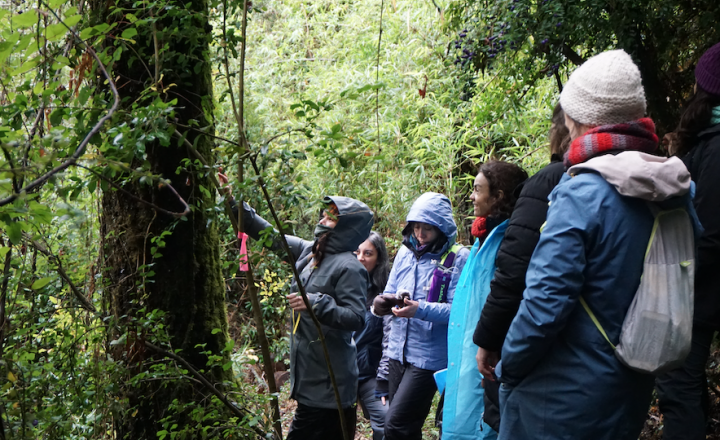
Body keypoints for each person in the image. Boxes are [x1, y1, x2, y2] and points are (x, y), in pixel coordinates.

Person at [496, 49, 699, 440]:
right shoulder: (675, 189)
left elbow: (544, 305)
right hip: (632, 381)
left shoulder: (582, 193)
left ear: (576, 118)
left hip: (558, 396)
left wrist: (510, 366)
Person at [233, 194, 373, 440]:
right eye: (325, 213)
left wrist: (315, 302)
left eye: (332, 216)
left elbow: (356, 317)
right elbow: (271, 237)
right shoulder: (310, 251)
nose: (324, 217)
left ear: (347, 227)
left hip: (331, 386)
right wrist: (234, 203)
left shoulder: (350, 267)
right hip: (310, 376)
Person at [473, 104, 570, 433]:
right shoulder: (631, 180)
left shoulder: (548, 183)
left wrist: (487, 340)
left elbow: (512, 276)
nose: (471, 197)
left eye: (477, 189)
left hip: (535, 343)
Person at [656, 41, 720, 440]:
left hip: (699, 294)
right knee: (687, 383)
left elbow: (710, 233)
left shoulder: (715, 149)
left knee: (676, 386)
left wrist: (673, 284)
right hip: (705, 292)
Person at [441, 161, 527, 440]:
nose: (471, 196)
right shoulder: (481, 239)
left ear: (498, 196)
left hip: (486, 364)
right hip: (465, 362)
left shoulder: (508, 242)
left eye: (477, 190)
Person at [374, 192, 470, 440]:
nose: (420, 234)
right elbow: (389, 291)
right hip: (398, 351)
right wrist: (385, 302)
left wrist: (419, 309)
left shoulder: (458, 258)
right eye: (416, 227)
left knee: (396, 425)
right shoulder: (405, 253)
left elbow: (458, 312)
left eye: (427, 228)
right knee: (403, 427)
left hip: (429, 358)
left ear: (442, 228)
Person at [353, 231, 391, 440]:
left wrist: (384, 378)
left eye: (368, 253)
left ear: (379, 259)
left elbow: (391, 337)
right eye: (357, 252)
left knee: (386, 423)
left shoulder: (385, 290)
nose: (360, 258)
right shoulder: (342, 284)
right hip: (339, 373)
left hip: (369, 374)